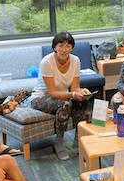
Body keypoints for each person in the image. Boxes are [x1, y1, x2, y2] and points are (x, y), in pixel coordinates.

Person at [30, 32, 94, 161]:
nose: (64, 49)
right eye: (61, 46)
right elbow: (53, 93)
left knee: (84, 102)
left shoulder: (75, 60)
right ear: (55, 47)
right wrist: (73, 94)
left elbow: (75, 88)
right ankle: (59, 143)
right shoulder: (47, 62)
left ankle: (79, 141)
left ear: (72, 48)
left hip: (62, 96)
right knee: (65, 104)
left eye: (68, 46)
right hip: (41, 98)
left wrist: (81, 92)